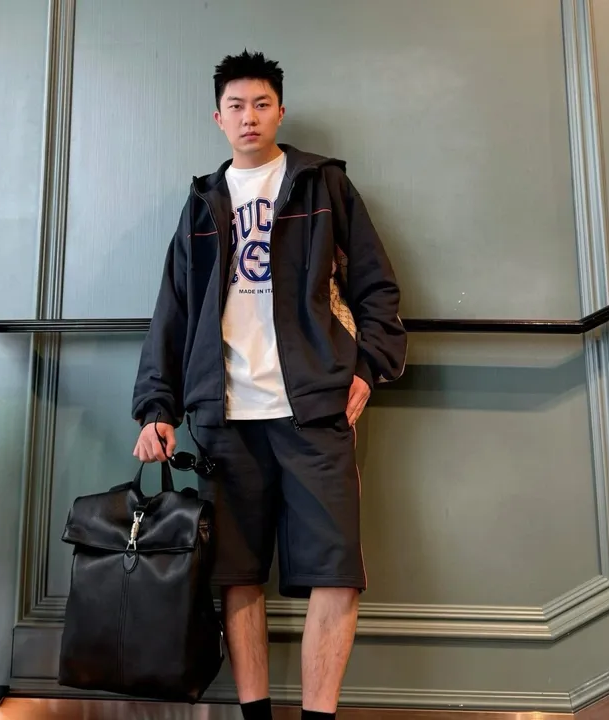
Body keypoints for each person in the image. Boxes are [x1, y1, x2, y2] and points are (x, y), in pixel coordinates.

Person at [131, 50, 406, 720]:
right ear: (218, 118)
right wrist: (156, 406)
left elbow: (377, 286)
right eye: (236, 106)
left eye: (261, 104)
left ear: (280, 111)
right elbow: (174, 310)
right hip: (224, 415)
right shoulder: (202, 202)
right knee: (237, 574)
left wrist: (368, 366)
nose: (248, 116)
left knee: (337, 572)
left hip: (313, 409)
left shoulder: (323, 186)